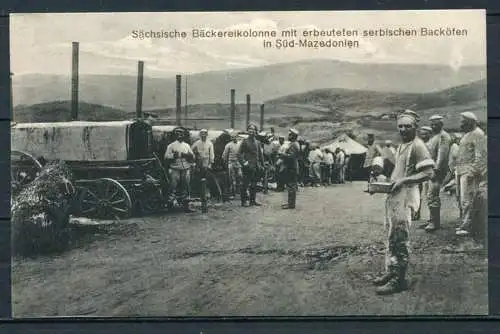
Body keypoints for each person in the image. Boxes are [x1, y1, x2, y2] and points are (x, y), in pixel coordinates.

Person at [372, 109, 435, 295]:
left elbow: (428, 173)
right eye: (400, 126)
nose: (403, 130)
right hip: (395, 195)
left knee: (400, 237)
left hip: (406, 195)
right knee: (392, 236)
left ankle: (400, 279)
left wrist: (404, 181)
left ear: (415, 127)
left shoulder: (418, 145)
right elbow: (398, 172)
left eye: (407, 126)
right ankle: (391, 271)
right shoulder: (402, 145)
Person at [455, 112, 487, 236]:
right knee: (462, 199)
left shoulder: (478, 135)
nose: (461, 124)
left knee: (468, 200)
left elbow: (481, 157)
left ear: (471, 122)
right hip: (461, 170)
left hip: (469, 172)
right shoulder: (467, 134)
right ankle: (464, 222)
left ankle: (468, 226)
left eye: (463, 122)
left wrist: (472, 172)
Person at [420, 115, 452, 232]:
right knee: (429, 195)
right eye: (432, 124)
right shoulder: (435, 137)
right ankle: (431, 219)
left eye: (436, 124)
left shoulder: (443, 136)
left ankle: (435, 222)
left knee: (432, 196)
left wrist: (436, 170)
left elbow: (442, 156)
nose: (433, 126)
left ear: (441, 125)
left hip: (436, 172)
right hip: (430, 170)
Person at [164, 127, 196, 213]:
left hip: (185, 168)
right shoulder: (171, 146)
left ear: (183, 135)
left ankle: (185, 206)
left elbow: (192, 156)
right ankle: (170, 206)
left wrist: (186, 155)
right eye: (177, 133)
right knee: (173, 187)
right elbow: (166, 157)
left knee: (185, 187)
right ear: (175, 135)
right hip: (175, 169)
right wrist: (174, 156)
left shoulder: (187, 145)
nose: (179, 135)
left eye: (181, 133)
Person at [237, 123, 265, 207]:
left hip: (256, 166)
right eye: (250, 129)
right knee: (245, 184)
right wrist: (244, 163)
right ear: (247, 131)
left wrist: (262, 165)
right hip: (247, 167)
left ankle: (252, 201)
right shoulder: (244, 141)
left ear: (256, 131)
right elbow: (239, 154)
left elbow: (260, 155)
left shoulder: (257, 142)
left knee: (254, 184)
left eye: (253, 129)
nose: (251, 131)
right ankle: (244, 201)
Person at [414, 126, 433, 222]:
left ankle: (431, 218)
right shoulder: (419, 145)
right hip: (419, 171)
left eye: (425, 134)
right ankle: (416, 213)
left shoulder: (431, 144)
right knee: (417, 193)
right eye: (421, 134)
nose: (423, 136)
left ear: (430, 134)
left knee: (429, 195)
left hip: (428, 172)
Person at [280, 128, 301, 209]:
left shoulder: (293, 144)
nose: (288, 136)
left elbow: (291, 157)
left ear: (293, 136)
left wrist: (282, 155)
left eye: (290, 135)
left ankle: (291, 204)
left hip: (291, 167)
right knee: (291, 186)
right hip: (292, 167)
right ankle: (290, 203)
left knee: (291, 186)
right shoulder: (294, 144)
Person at [222, 132, 242, 199]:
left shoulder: (240, 144)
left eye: (235, 136)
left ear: (237, 137)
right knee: (231, 178)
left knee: (239, 176)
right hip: (231, 163)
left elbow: (243, 153)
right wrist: (226, 163)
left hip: (239, 163)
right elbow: (224, 155)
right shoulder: (228, 145)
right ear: (231, 138)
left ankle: (238, 192)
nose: (234, 138)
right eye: (232, 137)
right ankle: (232, 194)